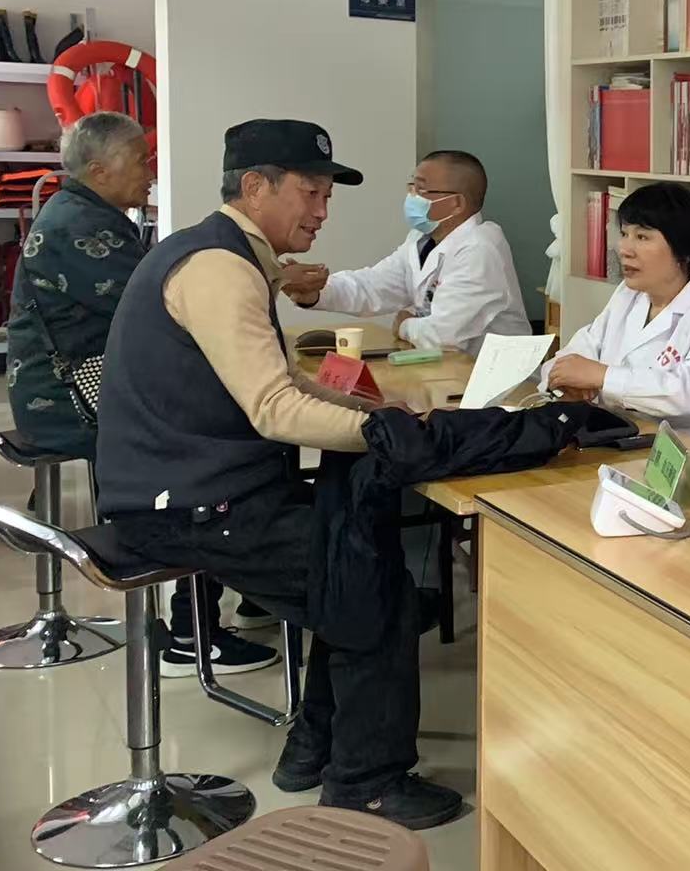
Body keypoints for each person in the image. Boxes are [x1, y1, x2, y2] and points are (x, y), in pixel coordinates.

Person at [92, 119, 460, 830]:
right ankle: (367, 784)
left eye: (328, 196)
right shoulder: (220, 268)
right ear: (256, 186)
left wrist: (368, 410)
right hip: (190, 506)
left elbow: (284, 379)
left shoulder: (223, 254)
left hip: (197, 489)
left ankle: (313, 748)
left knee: (351, 562)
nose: (322, 211)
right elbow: (272, 409)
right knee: (374, 589)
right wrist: (386, 433)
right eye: (310, 193)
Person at [5, 112, 276, 678]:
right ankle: (192, 632)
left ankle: (259, 587)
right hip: (65, 395)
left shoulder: (89, 214)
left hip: (75, 380)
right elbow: (165, 290)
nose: (150, 172)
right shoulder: (80, 226)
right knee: (213, 443)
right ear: (99, 170)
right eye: (140, 161)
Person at [541, 181, 690, 452]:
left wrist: (603, 377)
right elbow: (578, 351)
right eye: (624, 234)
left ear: (684, 248)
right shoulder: (629, 294)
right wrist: (565, 383)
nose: (625, 249)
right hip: (625, 445)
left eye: (642, 237)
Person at [281, 150, 531, 354]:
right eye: (411, 187)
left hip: (500, 385)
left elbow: (444, 337)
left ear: (456, 203)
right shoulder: (420, 240)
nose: (411, 197)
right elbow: (374, 285)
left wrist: (405, 325)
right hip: (448, 371)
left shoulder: (480, 248)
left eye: (421, 190)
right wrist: (316, 292)